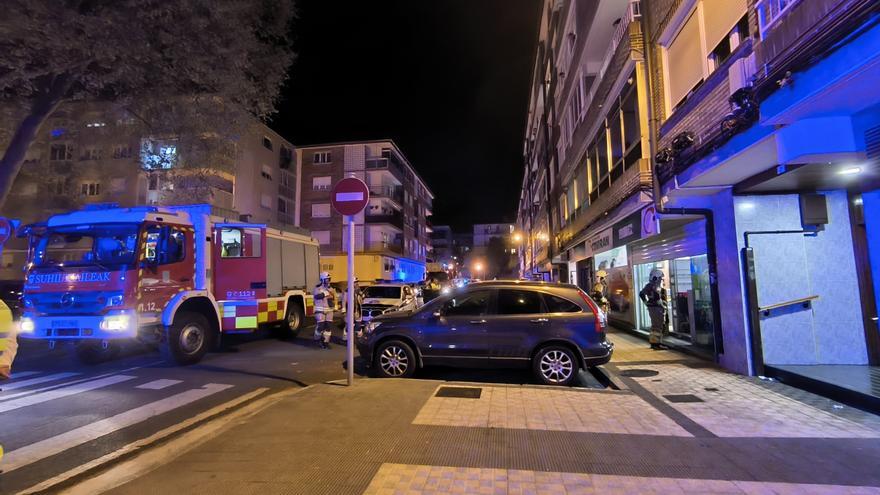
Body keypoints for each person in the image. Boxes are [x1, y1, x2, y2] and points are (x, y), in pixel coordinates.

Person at [639, 268, 668, 350]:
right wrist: (662, 305)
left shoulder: (648, 285)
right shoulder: (656, 286)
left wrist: (646, 302)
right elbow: (657, 297)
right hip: (657, 308)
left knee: (654, 326)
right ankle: (657, 344)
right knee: (658, 326)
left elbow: (641, 293)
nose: (661, 280)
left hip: (651, 307)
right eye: (660, 278)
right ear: (656, 277)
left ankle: (653, 342)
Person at [312, 271, 335, 349]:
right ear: (322, 279)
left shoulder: (331, 289)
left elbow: (334, 297)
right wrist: (324, 294)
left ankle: (326, 342)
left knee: (328, 327)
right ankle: (317, 339)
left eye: (329, 279)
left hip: (329, 310)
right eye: (326, 279)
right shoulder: (317, 288)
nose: (328, 281)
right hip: (320, 310)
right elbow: (317, 296)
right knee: (321, 327)